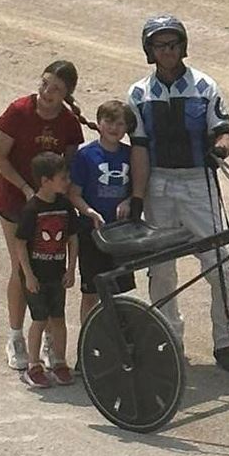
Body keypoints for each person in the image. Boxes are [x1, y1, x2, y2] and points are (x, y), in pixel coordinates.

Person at [125, 15, 229, 371]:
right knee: (161, 270)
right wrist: (138, 199)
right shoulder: (137, 94)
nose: (167, 51)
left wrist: (221, 148)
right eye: (160, 46)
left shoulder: (205, 86)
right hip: (159, 184)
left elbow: (224, 131)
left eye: (172, 44)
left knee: (219, 265)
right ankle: (169, 338)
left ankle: (226, 341)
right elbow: (140, 149)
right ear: (150, 51)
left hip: (198, 183)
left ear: (183, 46)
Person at [0, 61, 88, 371]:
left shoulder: (69, 123)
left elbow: (70, 165)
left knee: (49, 271)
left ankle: (47, 337)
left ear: (66, 94)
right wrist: (24, 188)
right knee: (23, 268)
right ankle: (16, 335)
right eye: (45, 83)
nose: (47, 92)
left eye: (56, 89)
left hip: (50, 205)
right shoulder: (19, 111)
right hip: (16, 200)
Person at [69, 99, 137, 335]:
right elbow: (74, 194)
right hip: (92, 234)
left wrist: (129, 201)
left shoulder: (130, 155)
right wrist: (89, 211)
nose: (114, 128)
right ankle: (88, 339)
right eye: (109, 121)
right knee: (90, 293)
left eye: (120, 124)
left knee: (119, 291)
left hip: (120, 234)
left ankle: (116, 339)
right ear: (99, 123)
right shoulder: (85, 155)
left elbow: (139, 189)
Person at [14, 152, 79, 388]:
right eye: (62, 178)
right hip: (37, 277)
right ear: (45, 181)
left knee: (59, 318)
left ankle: (60, 362)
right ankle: (34, 365)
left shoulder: (65, 205)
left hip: (57, 274)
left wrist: (71, 269)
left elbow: (72, 238)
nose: (67, 181)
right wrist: (28, 275)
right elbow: (20, 243)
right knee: (39, 320)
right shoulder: (32, 209)